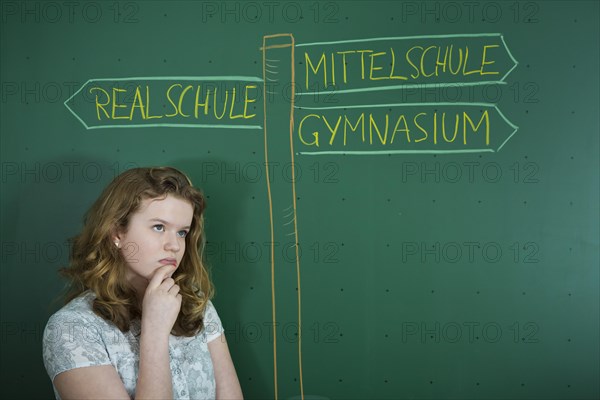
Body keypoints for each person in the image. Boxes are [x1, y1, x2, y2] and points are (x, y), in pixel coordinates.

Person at [42, 166, 243, 399]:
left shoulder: (196, 304)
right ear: (117, 234)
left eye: (182, 232)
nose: (175, 246)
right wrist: (155, 332)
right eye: (159, 227)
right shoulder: (71, 329)